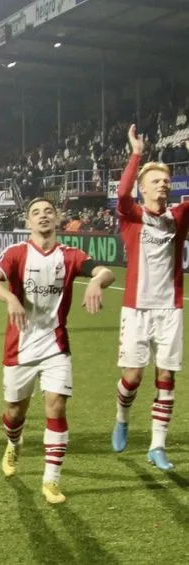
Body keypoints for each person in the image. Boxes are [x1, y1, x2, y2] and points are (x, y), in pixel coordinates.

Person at [0, 197, 114, 504]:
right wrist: (10, 299)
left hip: (56, 346)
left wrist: (96, 282)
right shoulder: (16, 253)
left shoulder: (69, 255)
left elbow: (105, 271)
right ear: (27, 222)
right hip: (20, 347)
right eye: (36, 213)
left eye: (48, 212)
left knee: (56, 405)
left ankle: (51, 480)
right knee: (14, 412)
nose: (42, 216)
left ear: (57, 220)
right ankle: (14, 443)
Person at [111, 124, 189, 471]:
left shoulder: (179, 217)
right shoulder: (131, 216)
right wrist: (137, 154)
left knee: (167, 376)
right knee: (132, 378)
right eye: (156, 181)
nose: (163, 184)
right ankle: (122, 417)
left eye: (166, 180)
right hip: (137, 308)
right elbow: (122, 191)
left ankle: (158, 445)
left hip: (170, 309)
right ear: (143, 188)